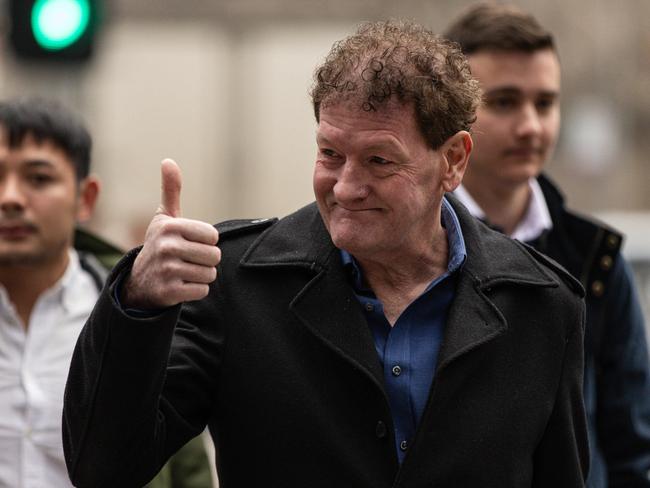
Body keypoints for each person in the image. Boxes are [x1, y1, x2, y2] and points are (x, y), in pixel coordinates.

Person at [63, 21, 588, 487]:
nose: (346, 187)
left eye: (380, 160)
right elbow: (105, 467)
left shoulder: (542, 304)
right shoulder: (236, 285)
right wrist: (137, 303)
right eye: (330, 154)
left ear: (452, 160)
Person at [443, 4, 650, 487]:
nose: (531, 126)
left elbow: (631, 444)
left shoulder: (595, 258)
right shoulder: (409, 247)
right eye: (504, 102)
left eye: (545, 103)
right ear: (449, 113)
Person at [0, 98, 213, 488]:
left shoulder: (136, 317)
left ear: (86, 198)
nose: (11, 198)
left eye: (38, 178)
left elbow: (187, 467)